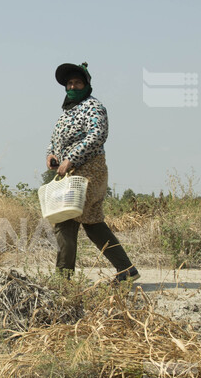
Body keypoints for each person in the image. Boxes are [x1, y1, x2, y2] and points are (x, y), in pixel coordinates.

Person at [45, 62, 139, 282]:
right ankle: (126, 269)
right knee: (92, 222)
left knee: (66, 217)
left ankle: (63, 279)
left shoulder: (93, 107)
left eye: (78, 82)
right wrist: (52, 155)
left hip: (89, 170)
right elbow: (54, 140)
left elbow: (97, 135)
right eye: (69, 83)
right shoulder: (66, 112)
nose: (73, 86)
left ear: (87, 84)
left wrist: (71, 158)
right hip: (71, 171)